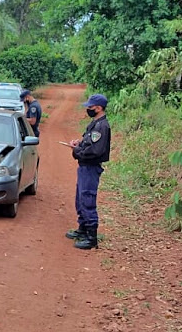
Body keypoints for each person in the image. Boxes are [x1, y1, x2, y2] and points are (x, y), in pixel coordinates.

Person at [65, 93, 111, 250]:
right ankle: (83, 229)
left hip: (91, 167)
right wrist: (80, 143)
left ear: (98, 108)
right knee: (80, 198)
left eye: (90, 107)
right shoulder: (95, 124)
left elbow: (95, 151)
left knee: (87, 198)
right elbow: (89, 141)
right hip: (85, 166)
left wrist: (77, 151)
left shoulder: (102, 126)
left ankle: (92, 237)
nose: (88, 109)